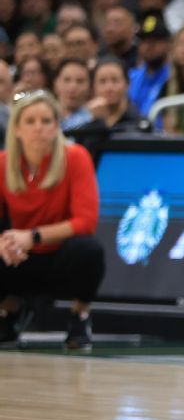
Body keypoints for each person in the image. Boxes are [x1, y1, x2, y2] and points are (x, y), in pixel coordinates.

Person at [0, 90, 102, 349]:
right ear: (17, 129)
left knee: (89, 250)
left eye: (46, 121)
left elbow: (86, 221)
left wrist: (33, 236)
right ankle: (8, 310)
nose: (39, 128)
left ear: (57, 126)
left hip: (59, 257)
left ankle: (80, 314)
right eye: (30, 121)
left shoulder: (75, 157)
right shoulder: (3, 164)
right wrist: (3, 243)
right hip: (20, 257)